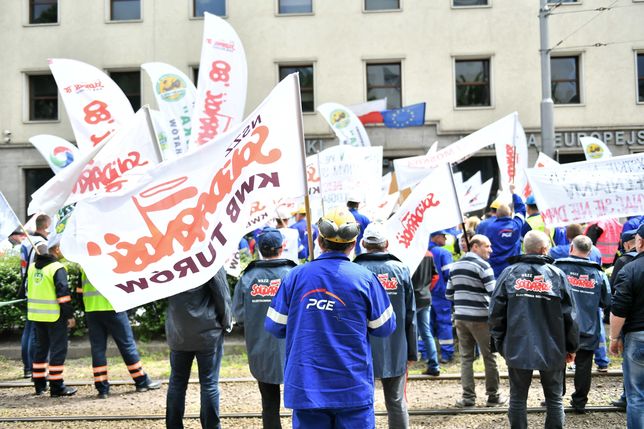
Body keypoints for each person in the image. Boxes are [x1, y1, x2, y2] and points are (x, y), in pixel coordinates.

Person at [265, 208, 395, 429]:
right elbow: (384, 327)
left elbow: (275, 326)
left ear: (319, 240)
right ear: (353, 244)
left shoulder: (295, 276)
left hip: (307, 386)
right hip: (352, 386)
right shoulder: (366, 279)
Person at [489, 230, 579, 429]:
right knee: (554, 398)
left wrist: (501, 343)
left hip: (517, 344)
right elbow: (570, 315)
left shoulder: (509, 273)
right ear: (544, 249)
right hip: (553, 346)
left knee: (518, 397)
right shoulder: (557, 274)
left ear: (525, 248)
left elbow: (495, 313)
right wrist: (572, 346)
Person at [354, 222, 417, 429]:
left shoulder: (354, 270)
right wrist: (412, 352)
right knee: (397, 402)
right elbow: (411, 314)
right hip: (395, 345)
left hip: (360, 348)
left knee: (362, 403)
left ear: (363, 243)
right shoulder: (401, 270)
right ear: (387, 244)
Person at [233, 227, 296, 429]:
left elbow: (239, 314)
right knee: (302, 403)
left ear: (259, 249)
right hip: (294, 349)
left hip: (260, 349)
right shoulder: (294, 274)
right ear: (283, 247)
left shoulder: (247, 277)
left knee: (269, 404)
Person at [76, 268, 161, 398]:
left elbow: (79, 291)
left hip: (92, 310)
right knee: (127, 345)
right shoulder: (111, 260)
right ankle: (141, 381)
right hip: (114, 308)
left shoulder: (84, 264)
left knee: (98, 349)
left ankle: (102, 389)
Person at [165, 268, 232, 429]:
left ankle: (173, 425)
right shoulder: (209, 258)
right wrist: (227, 322)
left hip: (178, 331)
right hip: (208, 332)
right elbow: (222, 295)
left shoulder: (170, 260)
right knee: (209, 383)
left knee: (177, 382)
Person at [446, 234, 506, 408]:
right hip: (481, 319)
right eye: (487, 246)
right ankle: (493, 397)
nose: (491, 250)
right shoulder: (483, 266)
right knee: (489, 357)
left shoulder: (455, 266)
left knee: (466, 358)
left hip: (461, 318)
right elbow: (494, 294)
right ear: (475, 247)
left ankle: (468, 398)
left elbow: (449, 294)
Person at [553, 235, 610, 413]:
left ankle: (555, 399)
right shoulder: (599, 274)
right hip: (588, 327)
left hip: (560, 327)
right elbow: (606, 301)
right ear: (590, 251)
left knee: (557, 363)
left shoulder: (557, 268)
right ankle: (579, 403)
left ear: (571, 248)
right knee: (584, 365)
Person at [27, 235, 77, 397]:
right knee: (58, 350)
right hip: (55, 316)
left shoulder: (33, 267)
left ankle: (39, 386)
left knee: (40, 350)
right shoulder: (57, 268)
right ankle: (57, 387)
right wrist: (69, 315)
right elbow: (63, 295)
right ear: (56, 249)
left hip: (36, 315)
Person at [609, 224, 644, 429]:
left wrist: (614, 338)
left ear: (639, 242)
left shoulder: (630, 269)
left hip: (638, 337)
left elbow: (619, 309)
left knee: (637, 396)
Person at [18, 214, 50, 379]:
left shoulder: (25, 242)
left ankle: (27, 368)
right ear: (46, 226)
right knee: (34, 331)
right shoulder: (41, 244)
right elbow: (46, 263)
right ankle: (31, 367)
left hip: (28, 288)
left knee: (29, 329)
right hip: (39, 290)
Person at [484, 186, 526, 278]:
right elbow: (521, 210)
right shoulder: (516, 225)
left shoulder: (490, 228)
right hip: (513, 268)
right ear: (510, 214)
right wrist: (514, 194)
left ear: (497, 215)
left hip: (495, 269)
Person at [411, 250, 440, 376]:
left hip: (411, 298)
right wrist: (427, 289)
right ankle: (434, 365)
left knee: (409, 332)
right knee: (426, 332)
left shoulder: (407, 252)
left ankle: (405, 365)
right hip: (426, 297)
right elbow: (435, 276)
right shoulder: (428, 254)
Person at [427, 230, 454, 363]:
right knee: (444, 323)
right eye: (443, 236)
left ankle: (426, 354)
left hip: (424, 295)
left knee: (426, 326)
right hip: (442, 295)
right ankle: (446, 354)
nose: (445, 239)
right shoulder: (443, 253)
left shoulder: (421, 252)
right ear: (436, 237)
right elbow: (450, 275)